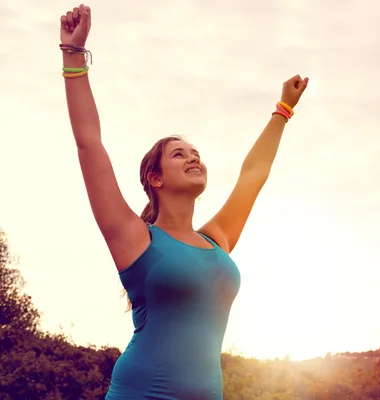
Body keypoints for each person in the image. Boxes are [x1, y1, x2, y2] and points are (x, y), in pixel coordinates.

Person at [60, 4, 309, 399]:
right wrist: (73, 55)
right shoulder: (135, 240)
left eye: (195, 152)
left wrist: (283, 109)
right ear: (154, 178)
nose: (194, 157)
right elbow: (89, 144)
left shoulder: (217, 241)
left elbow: (252, 176)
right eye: (179, 154)